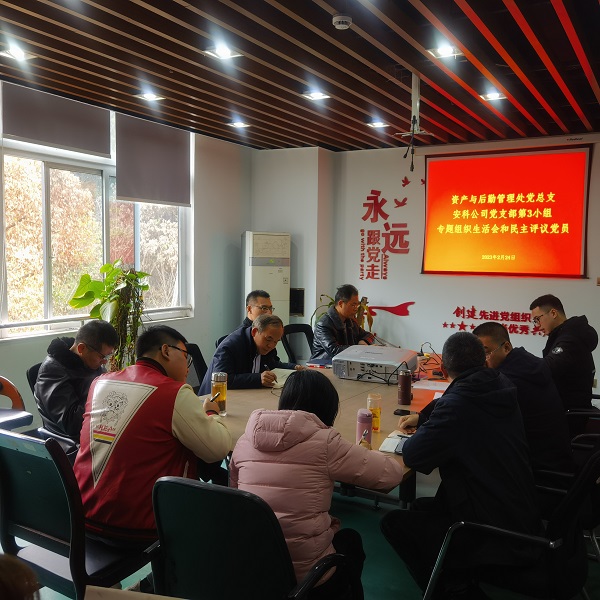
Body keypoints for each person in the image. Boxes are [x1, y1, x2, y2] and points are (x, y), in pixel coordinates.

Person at [381, 332, 541, 598]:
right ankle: (456, 575)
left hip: (492, 532)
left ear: (443, 369)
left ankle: (451, 591)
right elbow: (463, 412)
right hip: (518, 514)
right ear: (484, 360)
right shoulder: (500, 384)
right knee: (422, 507)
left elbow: (414, 456)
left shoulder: (458, 406)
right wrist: (427, 418)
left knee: (393, 523)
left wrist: (428, 426)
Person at [230, 369, 404, 599]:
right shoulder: (326, 443)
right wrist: (366, 452)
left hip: (253, 567)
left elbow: (235, 494)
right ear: (326, 409)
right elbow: (391, 475)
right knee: (350, 541)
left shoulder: (244, 441)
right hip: (308, 579)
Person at [74, 325, 232, 544]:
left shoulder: (100, 383)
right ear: (166, 351)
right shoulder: (174, 392)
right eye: (185, 357)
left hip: (81, 515)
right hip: (139, 526)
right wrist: (211, 413)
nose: (188, 368)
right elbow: (218, 449)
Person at [472, 321, 573, 473]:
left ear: (506, 347)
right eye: (477, 355)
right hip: (555, 455)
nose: (481, 361)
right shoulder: (526, 363)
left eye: (486, 353)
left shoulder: (509, 382)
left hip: (538, 466)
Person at [34, 320, 119, 443]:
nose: (104, 362)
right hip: (71, 442)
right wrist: (105, 394)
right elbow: (71, 423)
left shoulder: (91, 363)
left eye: (108, 356)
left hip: (96, 431)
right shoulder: (52, 371)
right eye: (102, 356)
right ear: (81, 348)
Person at [200, 314, 302, 394]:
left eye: (276, 341)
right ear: (254, 332)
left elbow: (272, 364)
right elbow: (223, 380)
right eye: (268, 339)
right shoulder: (229, 346)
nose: (271, 345)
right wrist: (258, 379)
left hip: (245, 395)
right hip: (214, 401)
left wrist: (294, 367)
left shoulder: (266, 346)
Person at [529, 294, 598, 410]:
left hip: (568, 411)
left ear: (553, 313)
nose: (538, 326)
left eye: (537, 319)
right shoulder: (565, 333)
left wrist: (518, 358)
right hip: (565, 405)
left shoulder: (571, 338)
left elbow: (549, 366)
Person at [310, 284, 375, 360]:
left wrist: (363, 341)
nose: (356, 309)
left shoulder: (350, 321)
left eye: (357, 305)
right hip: (323, 364)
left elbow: (368, 335)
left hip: (344, 362)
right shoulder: (323, 325)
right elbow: (335, 350)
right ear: (341, 304)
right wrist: (361, 349)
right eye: (353, 305)